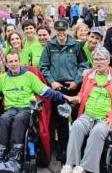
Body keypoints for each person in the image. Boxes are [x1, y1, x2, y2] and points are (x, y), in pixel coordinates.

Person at [0, 50, 75, 171]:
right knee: (4, 118)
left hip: (27, 109)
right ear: (6, 64)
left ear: (20, 62)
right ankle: (0, 151)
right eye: (10, 61)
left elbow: (46, 91)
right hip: (11, 109)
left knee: (19, 118)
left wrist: (64, 97)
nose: (14, 64)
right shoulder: (3, 78)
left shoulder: (29, 76)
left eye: (16, 61)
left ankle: (15, 156)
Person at [61, 46, 112, 173]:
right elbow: (83, 93)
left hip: (106, 117)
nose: (98, 62)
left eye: (101, 59)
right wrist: (76, 98)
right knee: (76, 126)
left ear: (108, 61)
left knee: (98, 131)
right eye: (95, 59)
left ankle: (85, 168)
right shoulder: (89, 76)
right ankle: (70, 164)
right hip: (87, 115)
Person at [40, 19, 89, 162]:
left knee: (76, 119)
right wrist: (52, 81)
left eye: (63, 30)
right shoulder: (50, 45)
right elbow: (44, 66)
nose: (61, 33)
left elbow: (83, 65)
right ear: (55, 30)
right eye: (58, 30)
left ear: (67, 29)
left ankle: (78, 150)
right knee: (60, 120)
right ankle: (63, 149)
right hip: (57, 88)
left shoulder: (76, 45)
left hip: (73, 87)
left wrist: (77, 81)